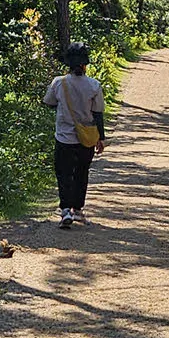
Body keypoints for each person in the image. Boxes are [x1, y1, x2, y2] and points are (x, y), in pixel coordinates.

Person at [43, 42, 106, 228]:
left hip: (64, 137)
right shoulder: (94, 85)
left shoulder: (58, 82)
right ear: (85, 64)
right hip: (86, 138)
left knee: (64, 173)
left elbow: (49, 102)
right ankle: (77, 210)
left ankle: (64, 211)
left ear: (68, 63)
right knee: (81, 172)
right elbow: (98, 113)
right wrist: (101, 138)